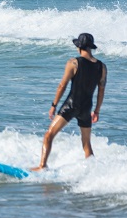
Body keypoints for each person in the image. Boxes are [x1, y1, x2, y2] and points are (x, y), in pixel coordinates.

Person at [34, 32, 108, 171]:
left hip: (71, 105)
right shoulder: (101, 67)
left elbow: (62, 85)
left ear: (79, 47)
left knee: (49, 135)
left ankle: (42, 166)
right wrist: (97, 110)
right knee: (86, 144)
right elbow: (101, 90)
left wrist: (53, 105)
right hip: (87, 107)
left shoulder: (73, 62)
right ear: (90, 47)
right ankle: (94, 172)